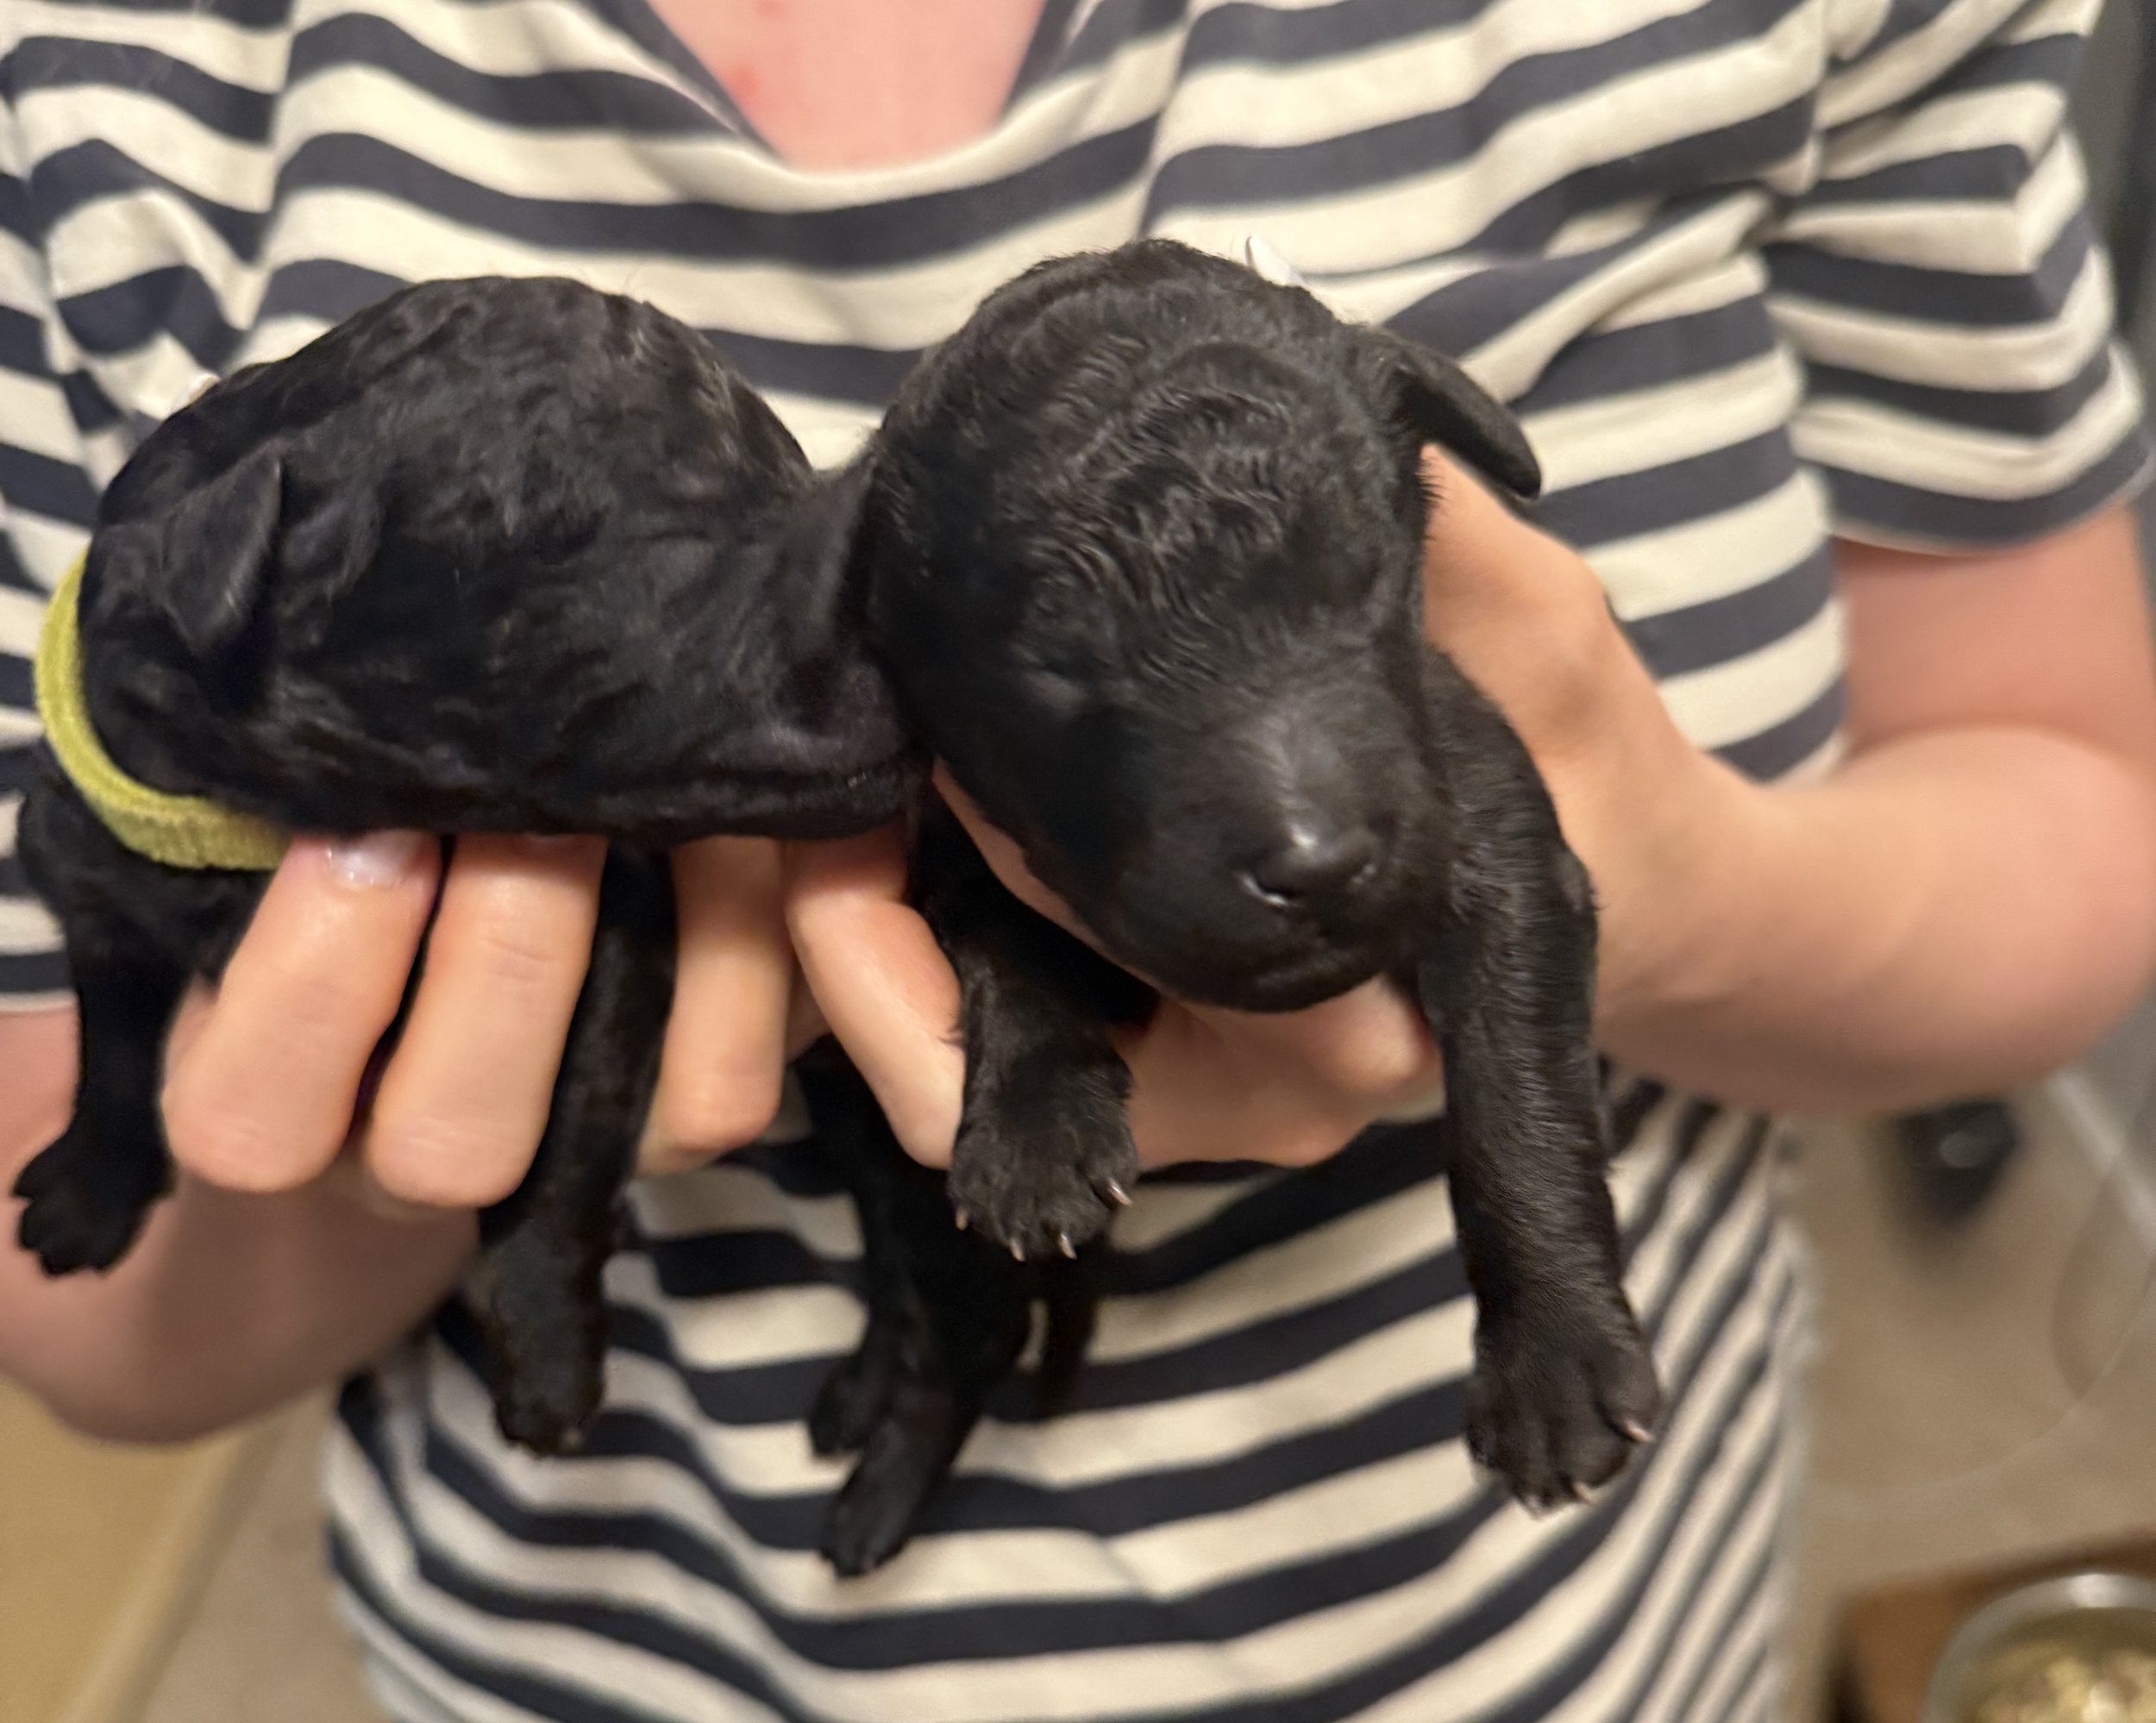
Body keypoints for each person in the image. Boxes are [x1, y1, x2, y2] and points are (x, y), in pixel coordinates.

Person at [3, 1, 2155, 1717]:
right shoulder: (94, 94)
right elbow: (82, 1321)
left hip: (1567, 1644)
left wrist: (1664, 898)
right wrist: (404, 1114)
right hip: (599, 1642)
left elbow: (2072, 804)